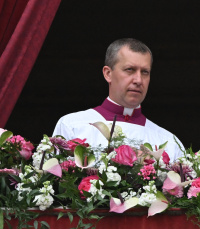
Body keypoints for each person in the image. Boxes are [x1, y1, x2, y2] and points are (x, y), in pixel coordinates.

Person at [52, 38, 184, 160]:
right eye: (130, 69)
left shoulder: (169, 142)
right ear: (108, 74)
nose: (138, 80)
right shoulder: (72, 125)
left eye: (145, 72)